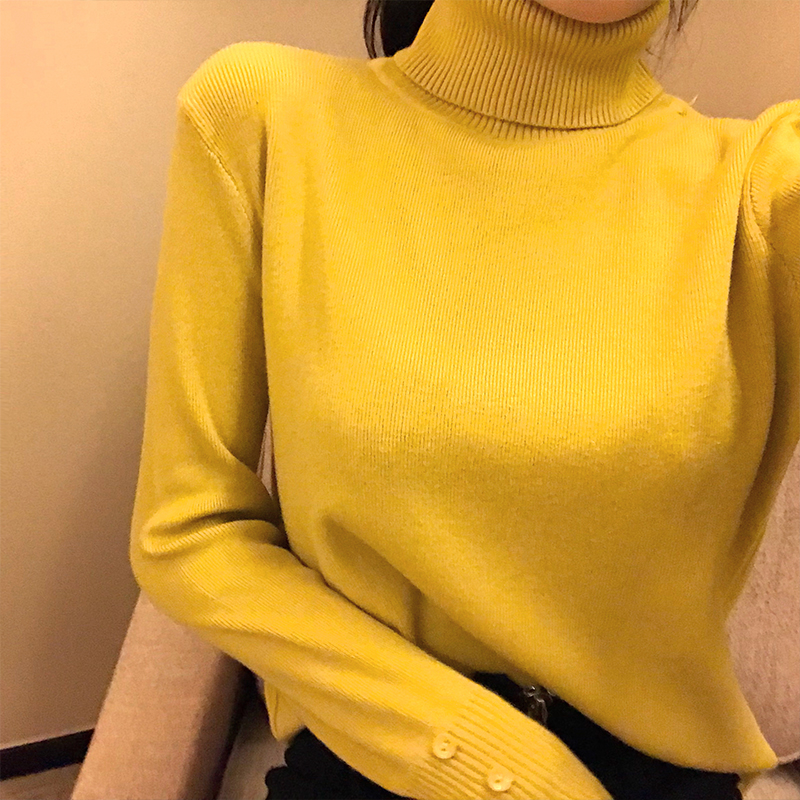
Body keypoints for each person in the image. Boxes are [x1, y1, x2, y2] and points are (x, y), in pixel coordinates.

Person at [129, 0, 798, 797]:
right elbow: (188, 529)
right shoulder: (264, 114)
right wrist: (494, 765)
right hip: (376, 760)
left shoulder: (760, 186)